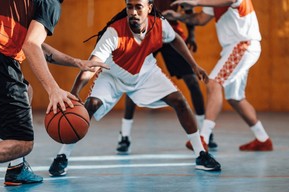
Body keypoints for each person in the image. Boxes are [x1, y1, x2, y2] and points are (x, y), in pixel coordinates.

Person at [0, 0, 108, 192]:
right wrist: (53, 89)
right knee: (23, 142)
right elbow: (31, 45)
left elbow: (33, 42)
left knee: (26, 90)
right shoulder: (50, 3)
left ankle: (16, 169)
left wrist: (76, 62)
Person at [49, 0, 221, 177]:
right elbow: (92, 65)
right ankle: (62, 156)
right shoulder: (114, 32)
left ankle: (201, 154)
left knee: (179, 101)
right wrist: (75, 91)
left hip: (144, 72)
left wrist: (193, 65)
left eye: (138, 7)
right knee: (90, 105)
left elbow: (175, 39)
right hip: (112, 75)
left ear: (149, 8)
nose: (133, 12)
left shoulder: (159, 24)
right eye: (129, 7)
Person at [166, 0, 273, 151]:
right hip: (236, 48)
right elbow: (200, 19)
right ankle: (263, 139)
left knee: (213, 83)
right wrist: (178, 16)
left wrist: (195, 2)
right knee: (235, 98)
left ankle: (203, 138)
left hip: (243, 45)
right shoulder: (212, 2)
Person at [116, 0, 218, 154]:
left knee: (192, 81)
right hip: (147, 32)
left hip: (171, 32)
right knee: (133, 79)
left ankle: (205, 134)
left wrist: (192, 35)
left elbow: (188, 10)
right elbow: (132, 11)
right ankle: (124, 135)